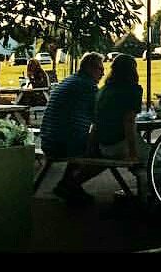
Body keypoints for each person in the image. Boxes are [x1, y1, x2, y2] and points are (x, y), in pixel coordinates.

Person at [40, 52, 105, 206]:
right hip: (64, 143)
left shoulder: (70, 80)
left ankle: (69, 184)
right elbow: (101, 117)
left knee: (81, 138)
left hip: (48, 140)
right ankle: (71, 184)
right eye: (100, 69)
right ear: (89, 68)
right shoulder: (87, 86)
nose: (103, 73)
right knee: (106, 151)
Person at [93, 53, 148, 199]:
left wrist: (90, 149)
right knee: (158, 159)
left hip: (104, 146)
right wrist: (132, 153)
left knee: (149, 160)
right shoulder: (132, 90)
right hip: (121, 145)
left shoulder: (103, 91)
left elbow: (95, 123)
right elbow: (129, 122)